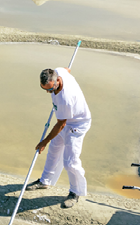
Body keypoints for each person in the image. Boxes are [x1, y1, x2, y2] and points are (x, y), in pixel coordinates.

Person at [25, 67, 92, 208]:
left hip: (77, 124)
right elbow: (67, 69)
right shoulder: (59, 71)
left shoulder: (65, 98)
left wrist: (44, 141)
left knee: (70, 162)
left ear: (57, 80)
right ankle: (45, 181)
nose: (48, 92)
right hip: (64, 120)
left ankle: (75, 192)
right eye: (45, 89)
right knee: (54, 151)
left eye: (50, 89)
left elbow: (61, 125)